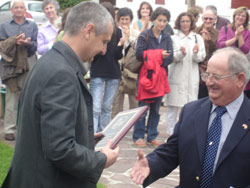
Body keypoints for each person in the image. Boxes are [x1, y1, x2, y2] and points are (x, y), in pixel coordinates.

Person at [1, 2, 119, 188]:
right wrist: (101, 160)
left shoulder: (53, 60)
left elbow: (47, 128)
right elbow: (60, 149)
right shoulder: (61, 73)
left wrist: (84, 136)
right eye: (104, 41)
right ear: (89, 30)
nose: (104, 50)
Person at [131, 47, 250, 188]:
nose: (209, 82)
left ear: (240, 79)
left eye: (216, 77)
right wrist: (151, 164)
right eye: (207, 75)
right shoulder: (191, 111)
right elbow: (171, 151)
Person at [133, 7, 173, 147]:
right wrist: (158, 55)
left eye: (164, 21)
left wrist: (157, 57)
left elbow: (170, 58)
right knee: (142, 108)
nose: (162, 24)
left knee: (156, 109)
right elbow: (139, 54)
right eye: (159, 20)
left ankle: (152, 135)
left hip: (160, 77)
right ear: (153, 20)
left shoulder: (167, 37)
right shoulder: (145, 35)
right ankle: (138, 136)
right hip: (146, 76)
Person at [0, 0, 38, 141]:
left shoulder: (32, 25)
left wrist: (27, 44)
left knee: (29, 96)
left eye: (21, 7)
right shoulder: (3, 26)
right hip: (11, 64)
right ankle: (9, 129)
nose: (19, 10)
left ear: (25, 10)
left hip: (29, 61)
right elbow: (2, 46)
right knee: (11, 96)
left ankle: (26, 128)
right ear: (11, 10)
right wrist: (13, 42)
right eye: (16, 7)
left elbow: (35, 46)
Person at [166, 12, 206, 136]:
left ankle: (185, 133)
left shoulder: (197, 38)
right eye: (182, 21)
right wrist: (181, 54)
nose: (185, 24)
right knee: (173, 107)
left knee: (189, 108)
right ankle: (171, 134)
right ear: (179, 23)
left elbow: (201, 57)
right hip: (176, 76)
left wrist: (195, 53)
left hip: (191, 78)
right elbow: (171, 57)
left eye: (187, 21)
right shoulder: (173, 38)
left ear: (191, 23)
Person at [90, 2, 124, 133]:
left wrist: (120, 45)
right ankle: (93, 134)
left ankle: (103, 133)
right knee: (95, 107)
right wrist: (98, 50)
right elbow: (90, 53)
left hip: (113, 73)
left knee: (106, 107)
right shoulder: (95, 30)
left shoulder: (118, 31)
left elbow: (117, 56)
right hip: (97, 71)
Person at [111, 7, 140, 119]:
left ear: (131, 20)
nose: (124, 22)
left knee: (134, 102)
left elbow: (139, 49)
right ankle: (114, 127)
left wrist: (130, 37)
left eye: (126, 19)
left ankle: (134, 126)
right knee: (117, 101)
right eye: (122, 19)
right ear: (118, 19)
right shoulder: (114, 32)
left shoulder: (136, 33)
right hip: (117, 70)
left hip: (132, 72)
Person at [217, 6, 250, 99]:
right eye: (239, 15)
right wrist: (235, 38)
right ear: (234, 16)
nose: (240, 17)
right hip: (225, 62)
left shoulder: (248, 32)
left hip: (240, 64)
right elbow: (220, 45)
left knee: (239, 87)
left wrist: (240, 35)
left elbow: (245, 49)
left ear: (246, 19)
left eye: (243, 16)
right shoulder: (225, 29)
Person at [196, 9, 219, 99]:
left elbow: (217, 52)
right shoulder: (195, 31)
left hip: (208, 69)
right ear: (202, 18)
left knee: (206, 96)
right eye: (206, 18)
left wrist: (209, 41)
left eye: (210, 19)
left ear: (215, 19)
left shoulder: (218, 33)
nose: (208, 21)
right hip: (194, 67)